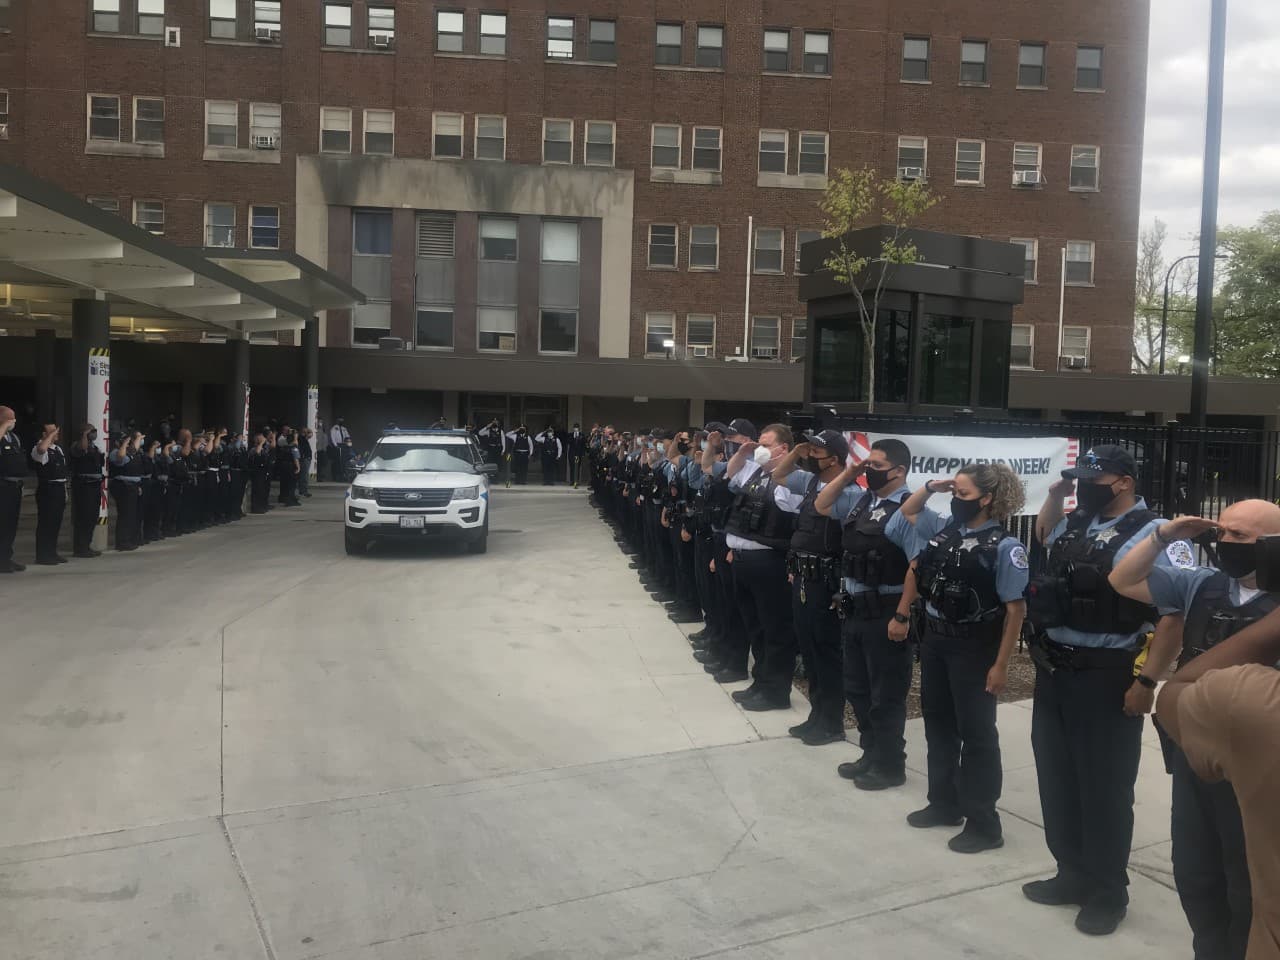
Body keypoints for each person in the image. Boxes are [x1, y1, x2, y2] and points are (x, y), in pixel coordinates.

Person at [1024, 444, 1194, 935]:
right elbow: (1043, 532)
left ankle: (1106, 891)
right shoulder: (1078, 522)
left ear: (1122, 481)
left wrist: (1147, 681)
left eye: (1090, 479)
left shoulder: (1158, 536)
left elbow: (1174, 614)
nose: (1082, 486)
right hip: (1053, 668)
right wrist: (1057, 495)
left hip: (1107, 672)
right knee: (1057, 778)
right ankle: (1070, 874)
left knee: (1103, 788)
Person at [1109, 499, 1280, 960]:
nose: (1225, 543)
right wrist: (1166, 535)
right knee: (1195, 869)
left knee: (1247, 877)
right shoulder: (1202, 583)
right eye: (1221, 534)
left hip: (1254, 762)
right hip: (1192, 747)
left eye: (1240, 536)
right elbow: (1122, 580)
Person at [897, 463, 1028, 854]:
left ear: (987, 499)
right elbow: (909, 512)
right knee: (938, 726)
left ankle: (984, 822)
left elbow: (1015, 610)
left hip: (975, 648)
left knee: (977, 736)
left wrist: (1001, 664)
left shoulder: (1005, 546)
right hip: (936, 640)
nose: (957, 500)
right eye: (955, 493)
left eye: (964, 494)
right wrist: (935, 486)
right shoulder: (946, 531)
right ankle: (944, 803)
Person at [1155, 605, 1280, 960]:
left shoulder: (1258, 705)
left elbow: (1174, 694)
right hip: (1212, 756)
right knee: (1202, 880)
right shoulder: (1206, 586)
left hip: (1216, 729)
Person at [814, 437, 917, 789]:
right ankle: (871, 753)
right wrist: (849, 474)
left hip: (886, 610)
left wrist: (902, 615)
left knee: (885, 694)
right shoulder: (862, 501)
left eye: (876, 465)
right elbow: (822, 504)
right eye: (867, 464)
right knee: (857, 688)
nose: (869, 470)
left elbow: (917, 567)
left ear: (899, 470)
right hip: (855, 609)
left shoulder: (908, 507)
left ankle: (891, 764)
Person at [771, 429, 858, 745]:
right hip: (804, 576)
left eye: (817, 452)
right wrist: (796, 451)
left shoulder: (848, 491)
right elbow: (777, 474)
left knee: (826, 652)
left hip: (827, 581)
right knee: (808, 649)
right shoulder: (808, 481)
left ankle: (831, 721)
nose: (811, 455)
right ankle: (817, 715)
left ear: (834, 460)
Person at [722, 423, 801, 712]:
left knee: (775, 630)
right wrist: (744, 453)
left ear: (784, 449)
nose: (760, 449)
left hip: (769, 562)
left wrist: (780, 470)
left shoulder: (793, 478)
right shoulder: (755, 471)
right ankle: (761, 682)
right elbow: (730, 474)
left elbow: (792, 514)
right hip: (743, 560)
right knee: (755, 627)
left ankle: (776, 691)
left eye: (766, 444)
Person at [27, 423, 70, 565]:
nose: (56, 433)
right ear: (44, 434)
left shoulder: (58, 449)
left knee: (55, 522)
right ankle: (43, 555)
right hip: (47, 489)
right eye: (52, 431)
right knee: (46, 522)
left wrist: (64, 491)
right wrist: (50, 436)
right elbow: (41, 450)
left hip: (59, 487)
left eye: (56, 431)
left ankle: (52, 552)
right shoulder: (39, 447)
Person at [68, 422, 105, 558]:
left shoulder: (95, 448)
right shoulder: (77, 445)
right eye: (91, 431)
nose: (94, 434)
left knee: (91, 517)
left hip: (94, 485)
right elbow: (81, 450)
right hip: (83, 486)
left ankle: (86, 545)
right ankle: (80, 548)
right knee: (83, 517)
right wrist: (84, 435)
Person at [107, 430, 146, 551]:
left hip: (132, 485)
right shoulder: (115, 452)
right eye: (124, 441)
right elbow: (120, 459)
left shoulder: (130, 452)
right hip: (122, 486)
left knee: (131, 515)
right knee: (125, 514)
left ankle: (130, 539)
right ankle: (122, 542)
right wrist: (124, 444)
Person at [0, 405, 27, 572]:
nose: (14, 421)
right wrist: (3, 426)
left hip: (14, 485)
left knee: (11, 524)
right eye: (10, 418)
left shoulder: (13, 438)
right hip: (2, 485)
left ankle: (6, 557)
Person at [248, 433, 271, 514]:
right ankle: (256, 507)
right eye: (260, 438)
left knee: (262, 490)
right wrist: (260, 442)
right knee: (257, 489)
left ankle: (262, 505)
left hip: (263, 471)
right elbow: (257, 453)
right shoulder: (254, 449)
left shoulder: (264, 448)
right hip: (257, 471)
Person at [567, 423, 587, 488]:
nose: (575, 428)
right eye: (575, 427)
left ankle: (576, 481)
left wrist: (583, 453)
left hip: (578, 454)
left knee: (577, 467)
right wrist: (574, 437)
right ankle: (572, 481)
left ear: (579, 428)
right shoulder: (570, 435)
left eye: (577, 427)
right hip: (571, 453)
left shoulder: (582, 435)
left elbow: (583, 444)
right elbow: (568, 442)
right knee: (572, 467)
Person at [298, 428, 314, 498]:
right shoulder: (300, 438)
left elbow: (311, 435)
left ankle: (303, 490)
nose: (307, 434)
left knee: (304, 475)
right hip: (304, 459)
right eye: (306, 432)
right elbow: (309, 435)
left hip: (307, 458)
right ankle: (303, 491)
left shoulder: (304, 439)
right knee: (304, 476)